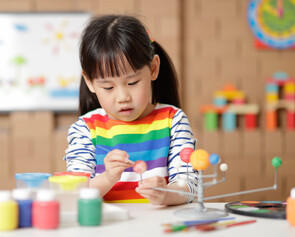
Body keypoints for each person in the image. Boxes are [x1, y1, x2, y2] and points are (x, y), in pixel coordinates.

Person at [64, 14, 197, 205]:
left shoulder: (173, 120)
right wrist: (108, 177)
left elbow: (190, 187)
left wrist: (166, 193)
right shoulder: (85, 129)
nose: (123, 97)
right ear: (89, 82)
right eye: (108, 87)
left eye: (133, 82)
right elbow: (75, 193)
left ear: (153, 69)